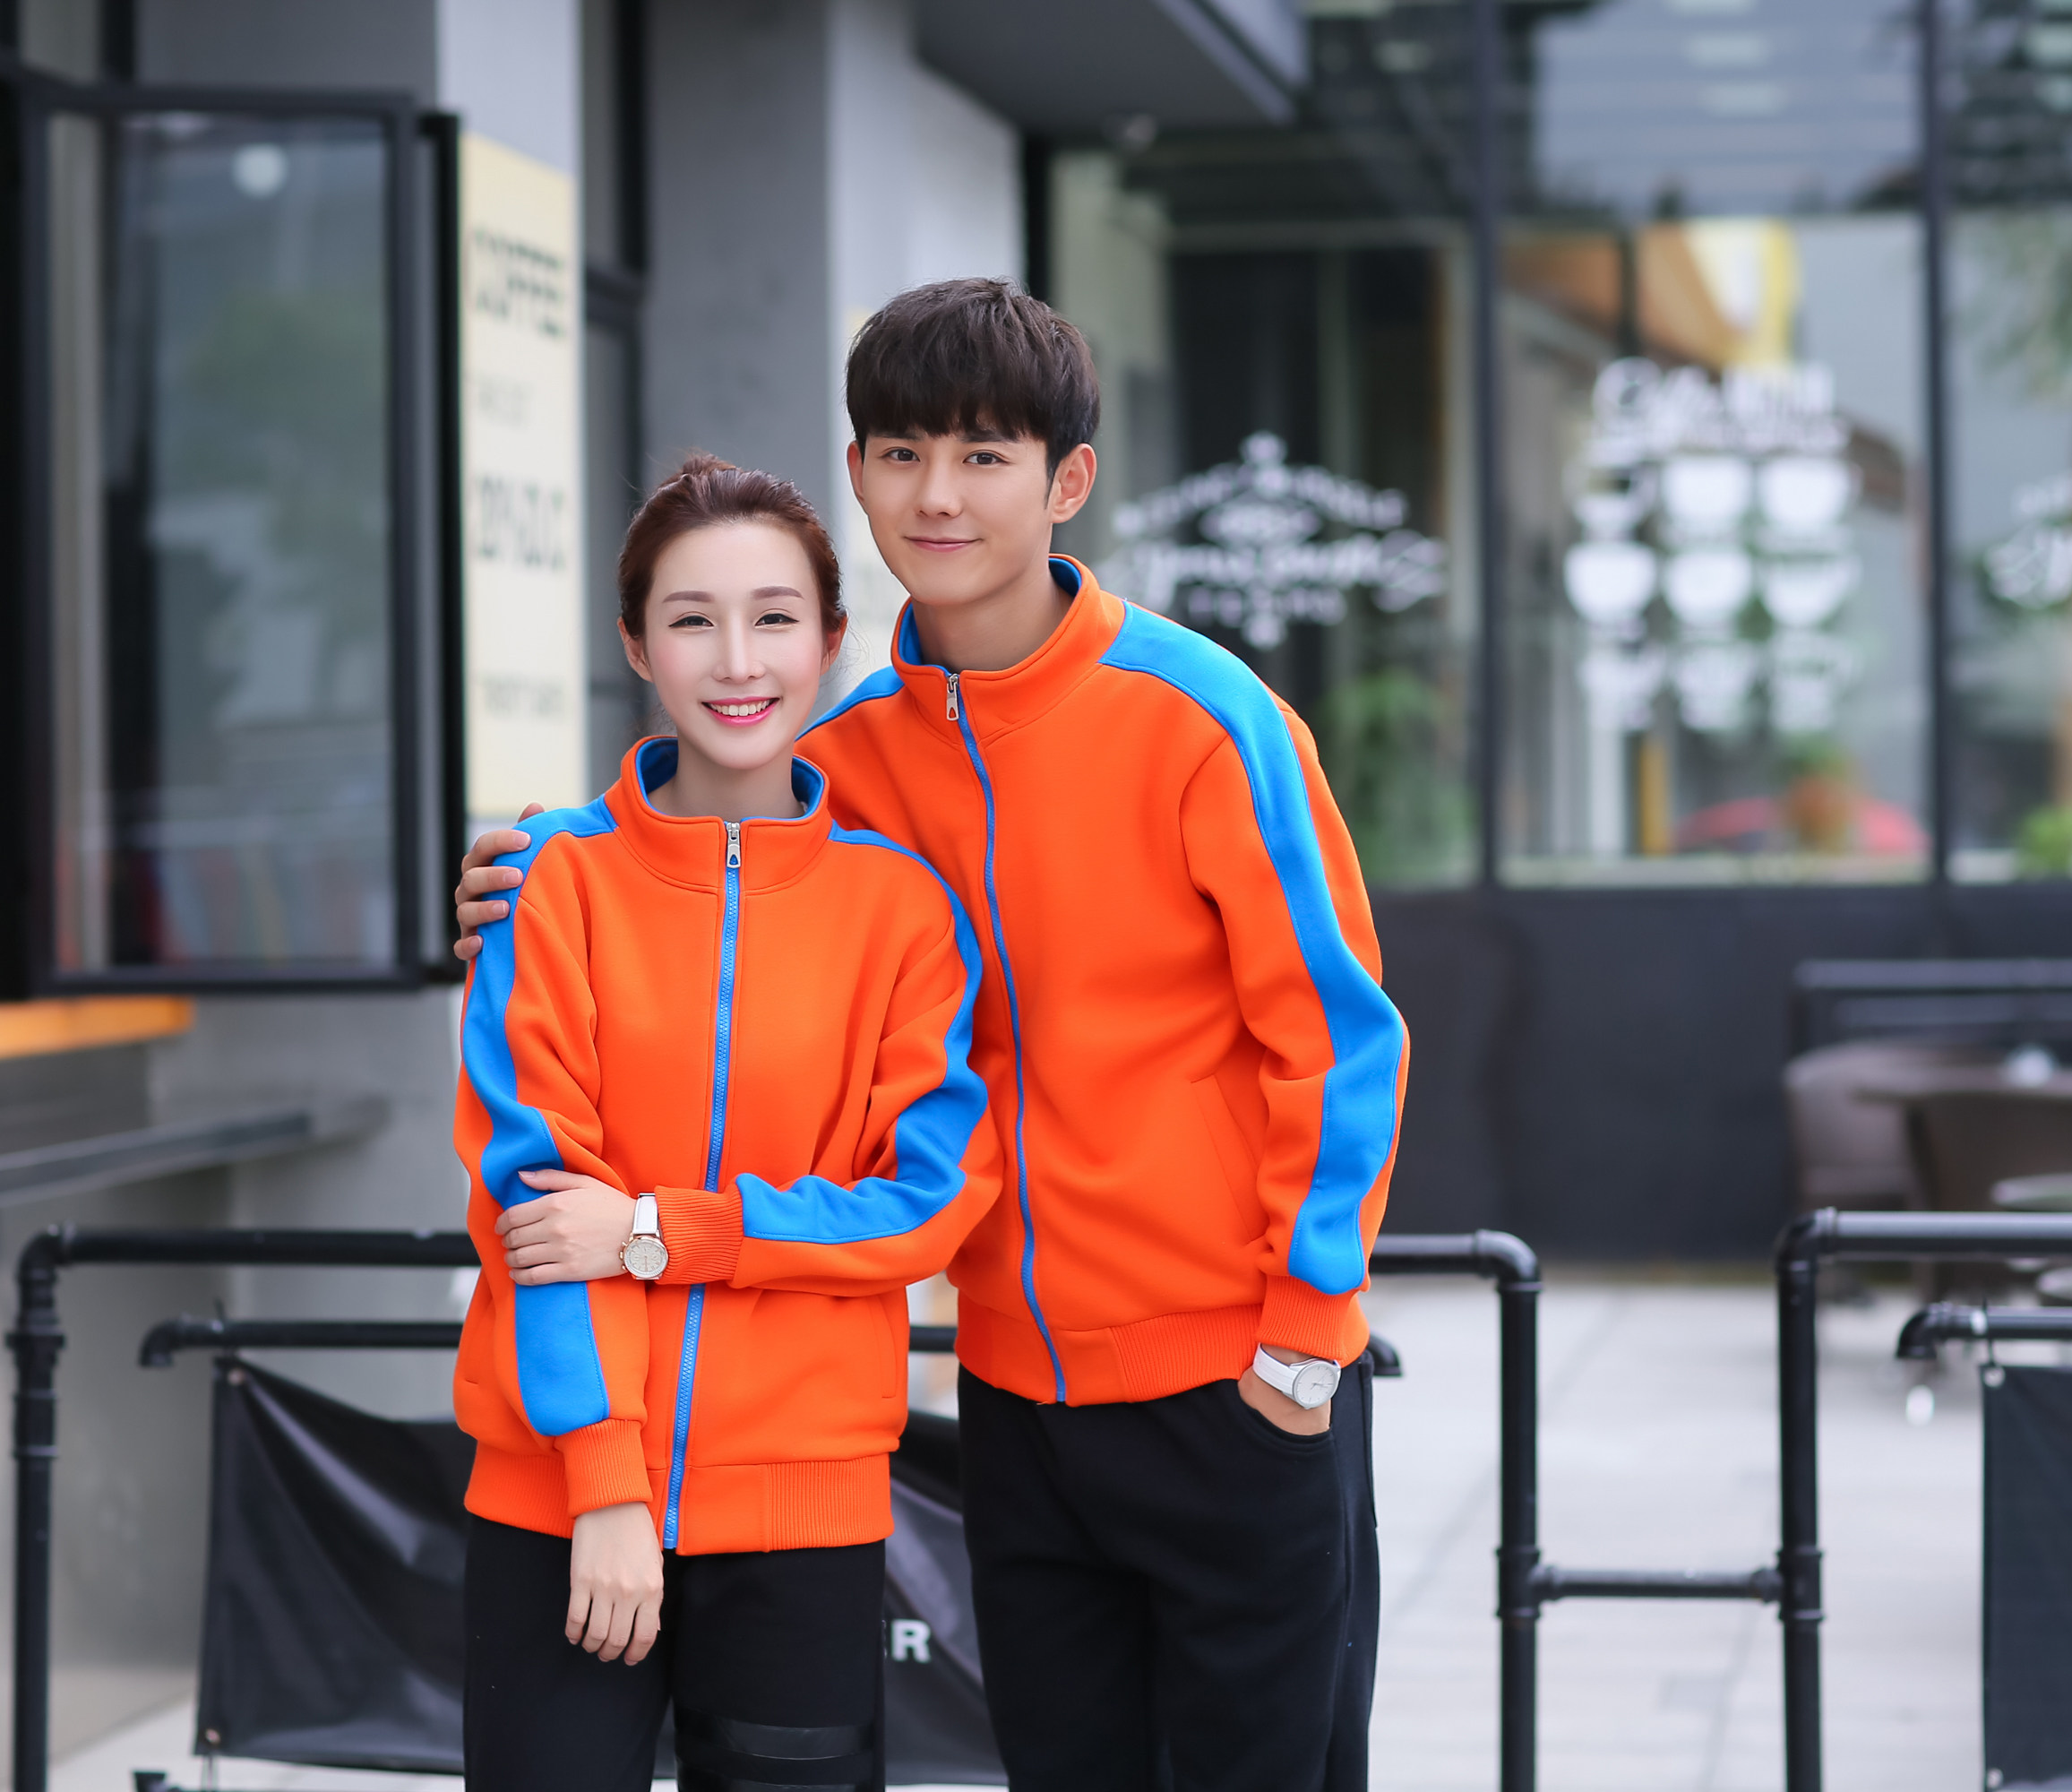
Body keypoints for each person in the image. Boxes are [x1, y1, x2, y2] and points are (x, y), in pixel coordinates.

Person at [459, 280, 1405, 1792]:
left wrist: (1301, 1348)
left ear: (1068, 480)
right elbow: (702, 837)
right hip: (1018, 1409)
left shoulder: (1205, 717)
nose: (938, 495)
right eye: (901, 454)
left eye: (983, 454)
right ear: (858, 474)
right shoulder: (846, 761)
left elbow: (1341, 1041)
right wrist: (528, 881)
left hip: (1234, 1386)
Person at [455, 453, 1000, 1792]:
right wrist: (606, 1487)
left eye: (774, 618)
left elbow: (926, 1205)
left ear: (830, 641)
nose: (738, 660)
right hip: (559, 1505)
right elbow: (534, 1206)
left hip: (803, 1513)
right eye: (693, 619)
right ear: (637, 645)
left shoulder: (904, 911)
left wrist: (658, 1230)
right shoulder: (551, 883)